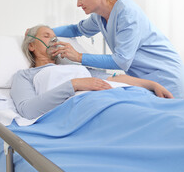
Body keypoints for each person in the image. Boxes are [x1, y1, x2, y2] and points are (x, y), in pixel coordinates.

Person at [51, 0, 184, 99]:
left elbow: (121, 61)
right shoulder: (99, 17)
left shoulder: (126, 13)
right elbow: (75, 30)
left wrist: (79, 57)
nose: (78, 4)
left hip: (165, 75)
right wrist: (44, 31)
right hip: (143, 80)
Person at [11, 25, 173, 120]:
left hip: (116, 98)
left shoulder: (73, 67)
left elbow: (114, 78)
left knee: (169, 115)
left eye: (55, 37)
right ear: (31, 46)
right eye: (46, 36)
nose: (54, 40)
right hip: (87, 109)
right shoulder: (25, 76)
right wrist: (75, 84)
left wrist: (152, 84)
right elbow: (28, 110)